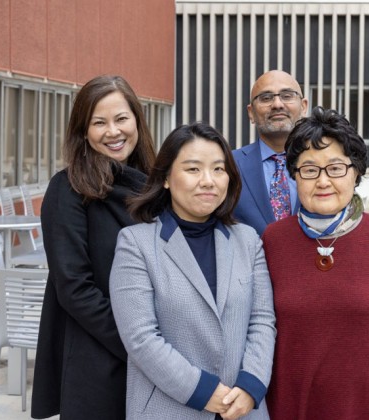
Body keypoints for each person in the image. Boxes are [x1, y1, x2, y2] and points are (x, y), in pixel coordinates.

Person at [262, 106, 369, 420]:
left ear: (356, 172)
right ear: (294, 175)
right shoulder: (272, 240)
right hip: (296, 402)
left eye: (336, 168)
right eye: (309, 169)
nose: (323, 181)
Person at [109, 123, 276, 420]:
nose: (208, 181)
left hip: (243, 409)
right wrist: (202, 391)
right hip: (168, 408)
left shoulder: (248, 241)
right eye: (193, 169)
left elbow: (262, 320)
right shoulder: (136, 244)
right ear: (165, 179)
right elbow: (140, 337)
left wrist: (251, 385)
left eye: (218, 169)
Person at [31, 75, 156, 419]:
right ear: (83, 131)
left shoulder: (155, 184)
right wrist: (140, 345)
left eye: (121, 119)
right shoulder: (68, 190)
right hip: (100, 354)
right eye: (99, 122)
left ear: (136, 120)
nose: (113, 132)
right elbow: (74, 287)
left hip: (158, 358)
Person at [233, 70, 308, 235]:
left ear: (304, 107)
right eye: (266, 98)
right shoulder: (228, 165)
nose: (277, 104)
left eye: (287, 96)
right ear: (251, 112)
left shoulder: (325, 165)